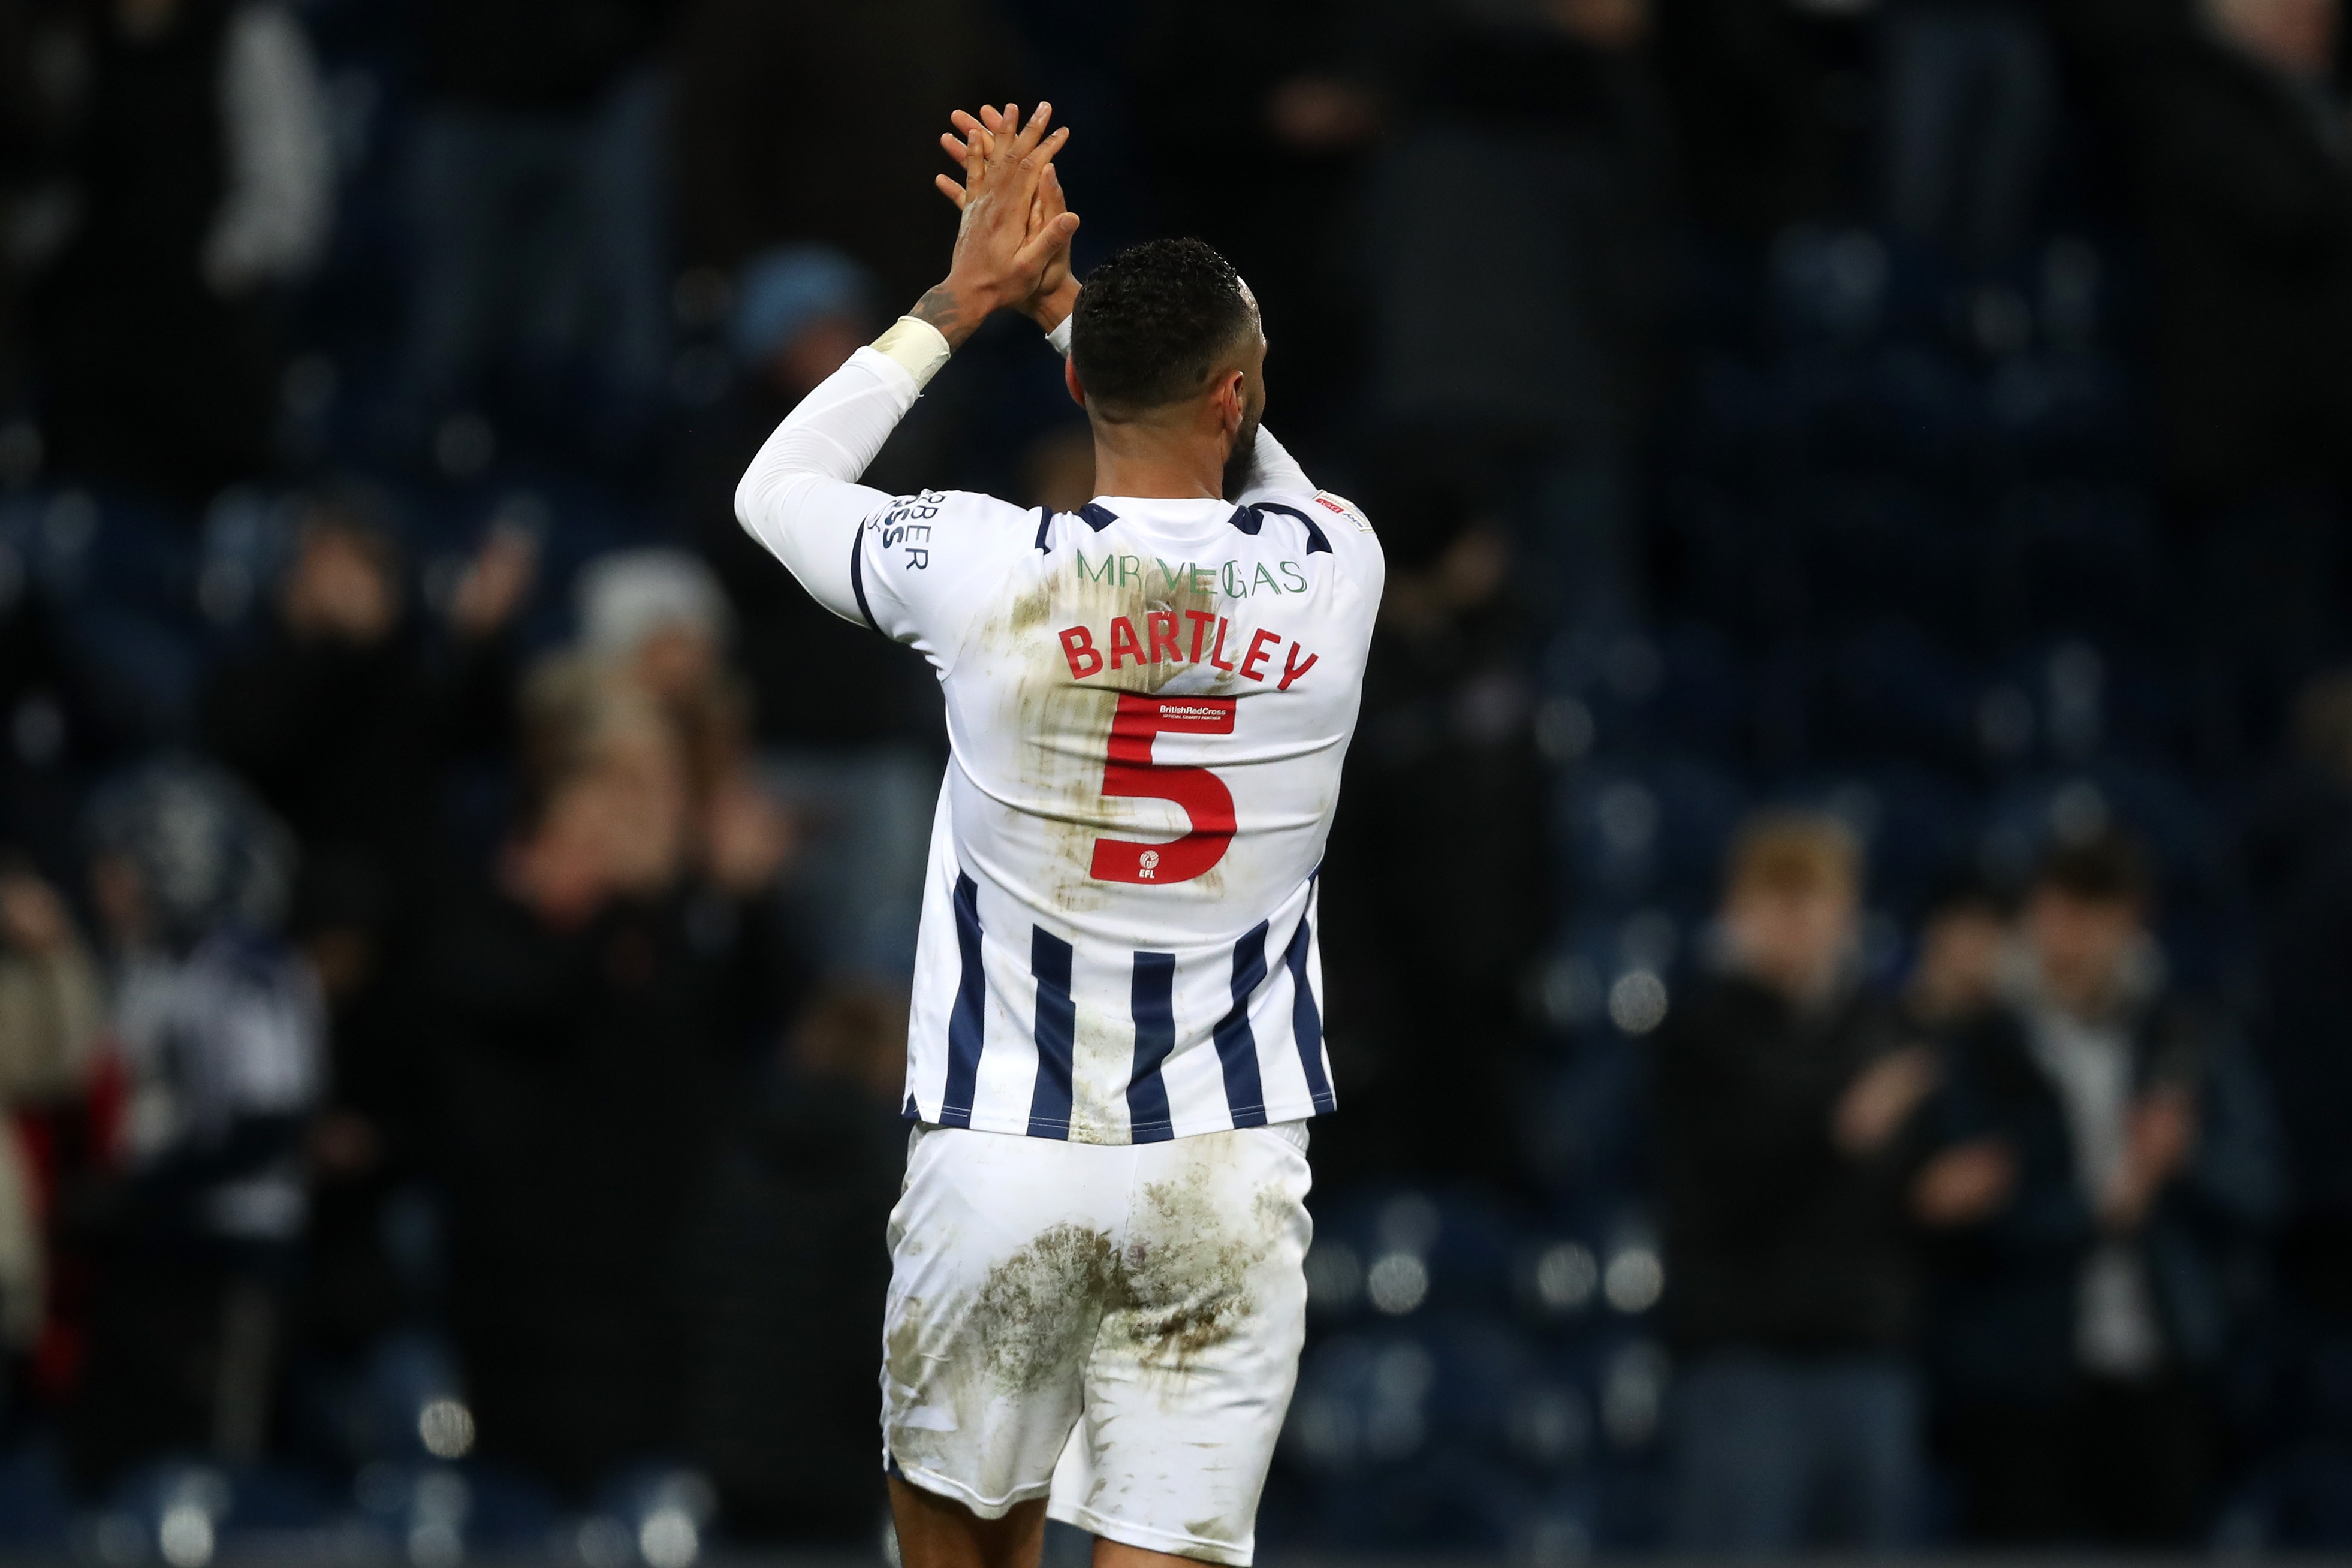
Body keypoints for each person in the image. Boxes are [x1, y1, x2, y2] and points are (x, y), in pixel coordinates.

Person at [733, 104, 1381, 1566]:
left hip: (1004, 1150)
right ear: (1234, 393)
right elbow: (1248, 453)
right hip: (1220, 1165)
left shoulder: (980, 564)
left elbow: (773, 490)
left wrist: (961, 302)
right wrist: (1069, 313)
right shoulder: (1335, 568)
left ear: (1079, 385)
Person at [1914, 831, 2283, 1545]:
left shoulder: (2188, 1041)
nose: (2073, 935)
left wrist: (2182, 1162)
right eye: (2057, 910)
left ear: (2132, 921)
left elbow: (2262, 1188)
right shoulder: (1981, 1049)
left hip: (2160, 1370)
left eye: (2096, 911)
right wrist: (2106, 1206)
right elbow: (1967, 1212)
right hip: (2020, 1379)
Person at [1653, 811, 1934, 1552]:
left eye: (1812, 898)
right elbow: (1717, 1180)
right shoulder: (1700, 1031)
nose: (1795, 920)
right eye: (1775, 899)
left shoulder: (1885, 1027)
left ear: (1847, 911)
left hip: (1868, 1350)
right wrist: (1838, 1130)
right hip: (1746, 1360)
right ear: (1737, 911)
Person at [68, 759, 323, 1484]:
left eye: (122, 869)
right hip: (156, 1248)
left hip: (228, 1254)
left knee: (210, 1468)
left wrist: (151, 1188)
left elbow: (268, 1113)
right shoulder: (148, 967)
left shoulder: (244, 967)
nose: (106, 890)